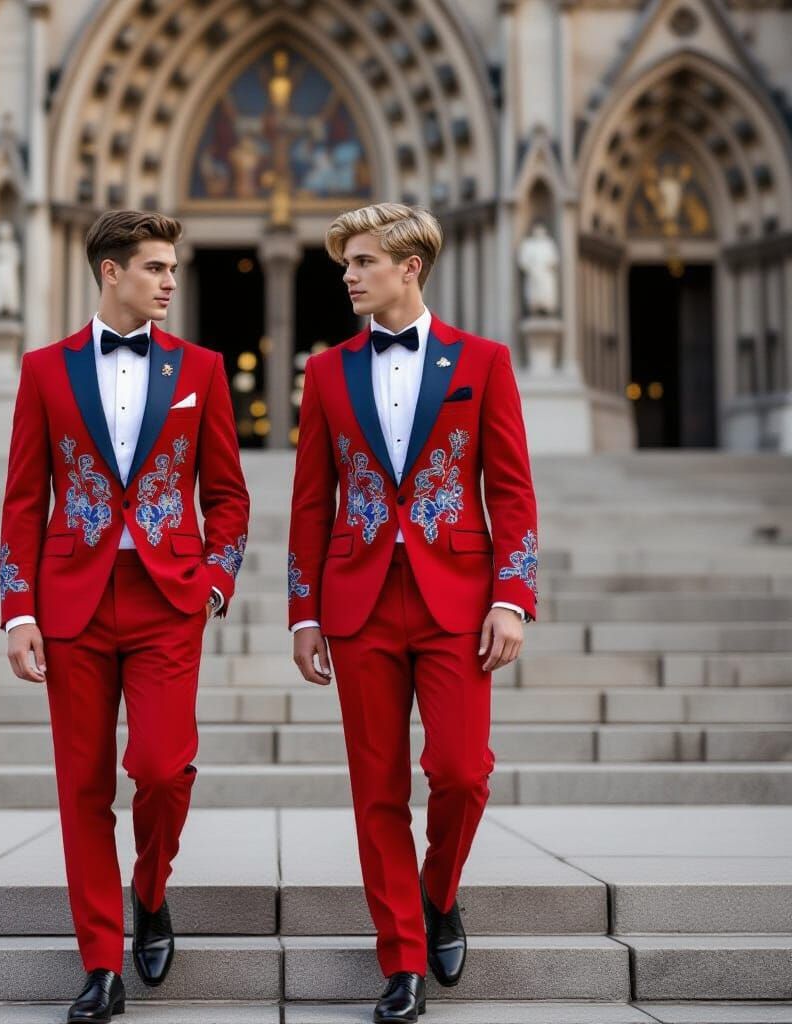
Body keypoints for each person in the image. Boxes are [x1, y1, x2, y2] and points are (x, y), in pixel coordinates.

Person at [288, 202, 538, 1023]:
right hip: (358, 602)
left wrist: (512, 596)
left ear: (410, 268)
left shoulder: (485, 362)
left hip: (457, 602)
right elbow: (309, 504)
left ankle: (437, 895)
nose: (349, 277)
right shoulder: (325, 374)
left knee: (462, 773)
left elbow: (510, 489)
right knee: (378, 790)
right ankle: (401, 962)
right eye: (346, 265)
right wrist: (304, 612)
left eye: (361, 262)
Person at [0, 209, 250, 1023]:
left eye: (173, 268)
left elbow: (229, 498)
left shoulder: (203, 370)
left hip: (167, 598)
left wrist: (216, 579)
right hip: (71, 599)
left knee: (163, 767)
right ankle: (101, 964)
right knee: (81, 786)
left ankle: (150, 886)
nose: (170, 281)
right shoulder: (43, 371)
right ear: (110, 272)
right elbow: (22, 502)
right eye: (155, 268)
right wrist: (17, 610)